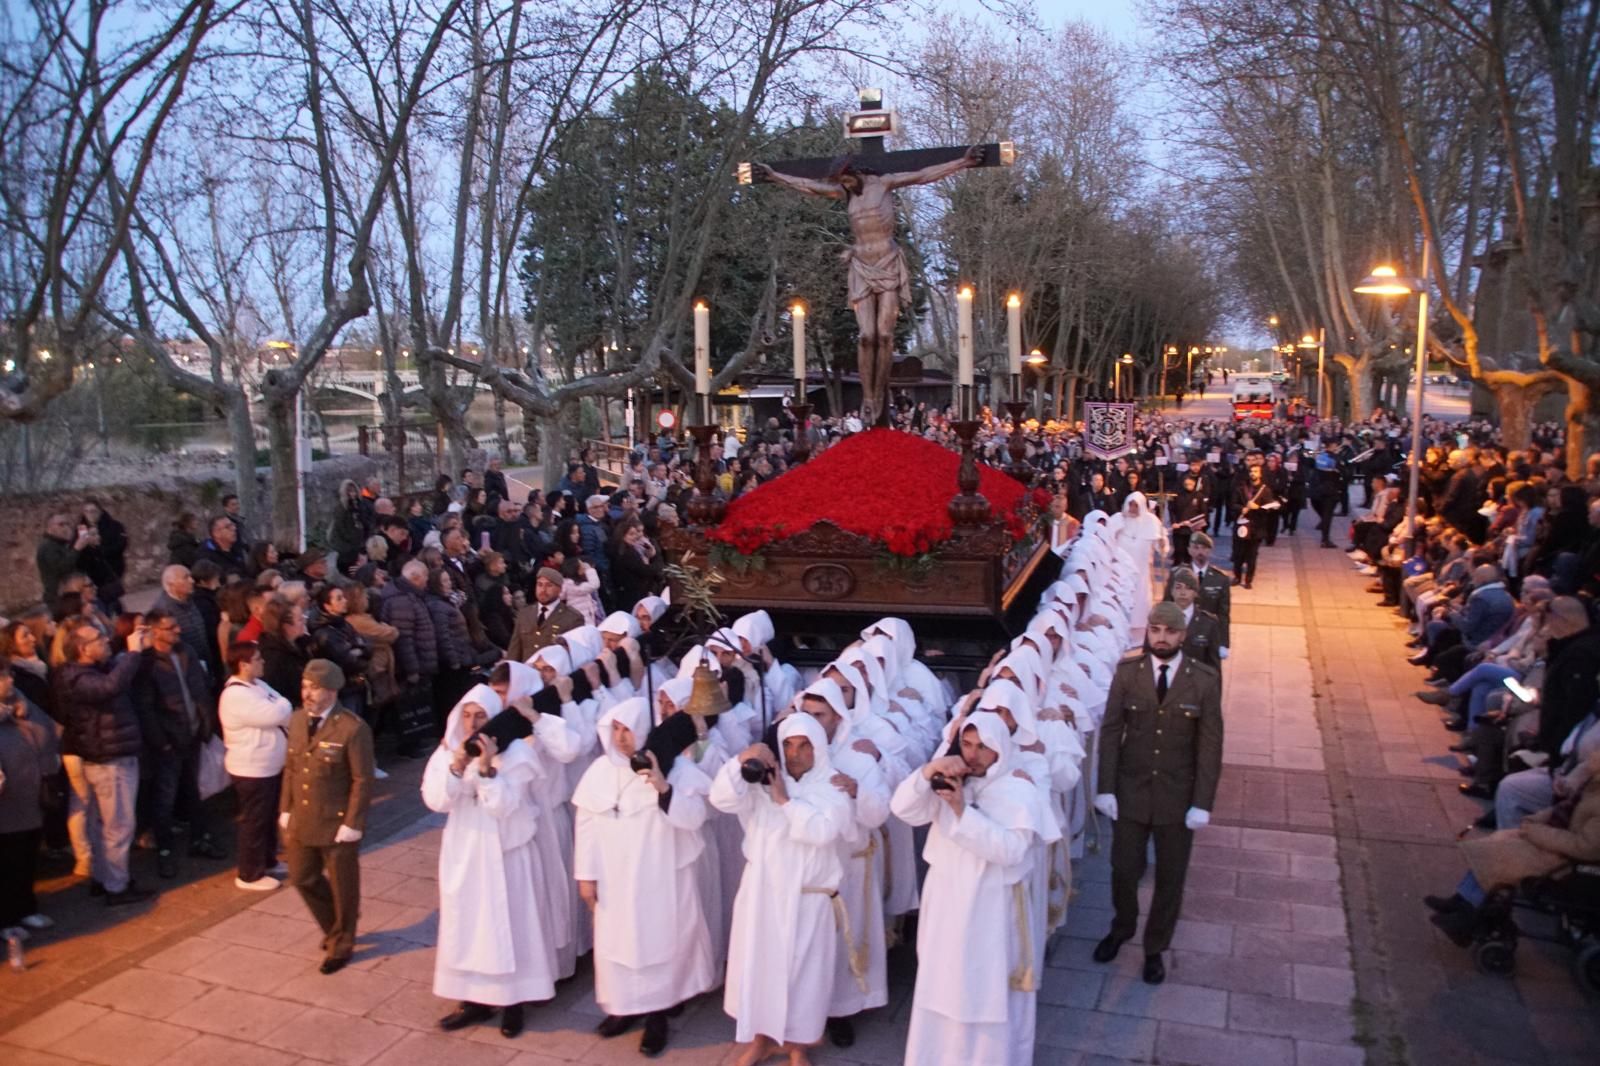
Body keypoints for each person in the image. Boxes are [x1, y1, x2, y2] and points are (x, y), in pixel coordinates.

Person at [893, 713, 1042, 1066]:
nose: (973, 755)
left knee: (983, 992)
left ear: (1001, 749)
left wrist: (962, 812)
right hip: (946, 897)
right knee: (940, 983)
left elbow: (1010, 850)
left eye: (983, 747)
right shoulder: (952, 778)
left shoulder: (1019, 788)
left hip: (990, 904)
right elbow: (902, 809)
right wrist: (928, 772)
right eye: (968, 744)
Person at [573, 696, 717, 1057]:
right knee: (616, 944)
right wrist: (585, 876)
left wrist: (662, 787)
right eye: (616, 729)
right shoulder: (599, 773)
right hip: (614, 876)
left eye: (629, 729)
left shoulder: (674, 769)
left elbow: (694, 817)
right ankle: (623, 1008)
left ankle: (658, 1015)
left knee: (657, 944)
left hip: (658, 874)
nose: (622, 738)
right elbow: (586, 825)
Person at [710, 713, 852, 1066]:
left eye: (805, 745)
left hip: (808, 898)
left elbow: (821, 832)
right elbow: (721, 799)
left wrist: (785, 801)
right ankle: (760, 1038)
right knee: (759, 968)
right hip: (763, 893)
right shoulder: (760, 782)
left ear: (818, 748)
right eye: (788, 745)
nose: (796, 753)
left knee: (803, 976)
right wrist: (744, 758)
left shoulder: (833, 786)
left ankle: (798, 1045)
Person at [1093, 602, 1224, 985]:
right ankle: (1122, 928)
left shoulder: (1203, 680)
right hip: (1131, 791)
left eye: (1169, 631)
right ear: (1147, 632)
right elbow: (1111, 732)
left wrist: (1202, 802)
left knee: (1170, 878)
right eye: (1155, 630)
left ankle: (1155, 949)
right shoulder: (1128, 673)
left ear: (1182, 635)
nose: (1161, 638)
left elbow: (1210, 746)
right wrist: (1106, 788)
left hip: (1177, 797)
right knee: (1124, 870)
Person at [426, 684, 558, 1040]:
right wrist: (457, 766)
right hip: (466, 849)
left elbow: (504, 807)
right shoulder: (447, 751)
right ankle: (474, 999)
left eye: (480, 716)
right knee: (470, 924)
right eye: (466, 715)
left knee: (512, 925)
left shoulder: (517, 755)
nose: (472, 723)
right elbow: (436, 800)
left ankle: (513, 1002)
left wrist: (486, 770)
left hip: (507, 851)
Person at [279, 658, 374, 975]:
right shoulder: (295, 721)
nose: (307, 693)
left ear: (332, 690)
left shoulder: (352, 728)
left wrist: (353, 823)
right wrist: (285, 809)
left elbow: (362, 779)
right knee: (301, 876)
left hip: (336, 820)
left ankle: (341, 942)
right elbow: (291, 768)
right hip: (303, 816)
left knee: (344, 884)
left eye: (315, 688)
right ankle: (338, 924)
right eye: (305, 686)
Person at [54, 621, 152, 904]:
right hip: (109, 760)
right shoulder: (77, 679)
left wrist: (133, 652)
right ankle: (116, 887)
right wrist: (133, 653)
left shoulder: (85, 672)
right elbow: (110, 687)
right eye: (99, 639)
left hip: (106, 757)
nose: (106, 641)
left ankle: (104, 877)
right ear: (83, 649)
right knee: (117, 826)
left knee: (103, 825)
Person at [134, 608, 225, 879]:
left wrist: (206, 724)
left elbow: (200, 688)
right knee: (165, 798)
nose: (178, 631)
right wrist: (160, 741)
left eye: (176, 626)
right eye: (170, 627)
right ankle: (165, 851)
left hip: (193, 733)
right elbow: (146, 708)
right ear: (154, 632)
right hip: (168, 741)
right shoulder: (146, 663)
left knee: (195, 791)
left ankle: (201, 838)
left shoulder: (187, 652)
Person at [218, 641, 292, 890]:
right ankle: (249, 874)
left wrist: (281, 706)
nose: (263, 662)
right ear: (244, 664)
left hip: (270, 766)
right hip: (252, 769)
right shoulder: (235, 695)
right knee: (255, 821)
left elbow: (282, 703)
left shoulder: (258, 685)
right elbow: (277, 712)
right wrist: (281, 707)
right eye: (258, 659)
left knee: (269, 816)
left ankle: (268, 861)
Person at [0, 661, 60, 936]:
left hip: (30, 795)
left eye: (8, 675)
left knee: (26, 857)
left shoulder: (22, 704)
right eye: (2, 678)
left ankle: (26, 908)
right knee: (6, 862)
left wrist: (19, 715)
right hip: (5, 803)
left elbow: (46, 731)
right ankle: (6, 920)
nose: (9, 681)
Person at [505, 567, 584, 660]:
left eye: (549, 585)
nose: (543, 590)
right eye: (540, 585)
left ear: (560, 589)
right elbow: (514, 651)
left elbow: (575, 656)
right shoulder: (525, 614)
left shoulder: (572, 618)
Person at [1230, 464, 1278, 589]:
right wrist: (1242, 508)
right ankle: (1237, 576)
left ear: (1260, 474)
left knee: (1252, 555)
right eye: (1251, 471)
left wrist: (1258, 508)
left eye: (1256, 471)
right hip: (1241, 525)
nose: (1253, 473)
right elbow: (1232, 504)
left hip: (1257, 527)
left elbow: (1270, 508)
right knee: (1238, 554)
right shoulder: (1241, 488)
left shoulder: (1265, 490)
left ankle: (1248, 580)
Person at [1166, 568, 1224, 670]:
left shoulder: (1209, 623)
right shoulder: (1160, 619)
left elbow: (1214, 668)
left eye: (1188, 588)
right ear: (1171, 591)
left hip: (1196, 683)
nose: (1183, 593)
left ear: (1196, 593)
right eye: (1178, 587)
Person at [37, 514, 94, 612]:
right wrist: (77, 548)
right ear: (49, 527)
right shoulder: (47, 546)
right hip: (58, 598)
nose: (65, 528)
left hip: (68, 596)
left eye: (67, 524)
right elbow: (60, 568)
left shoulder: (60, 544)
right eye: (61, 524)